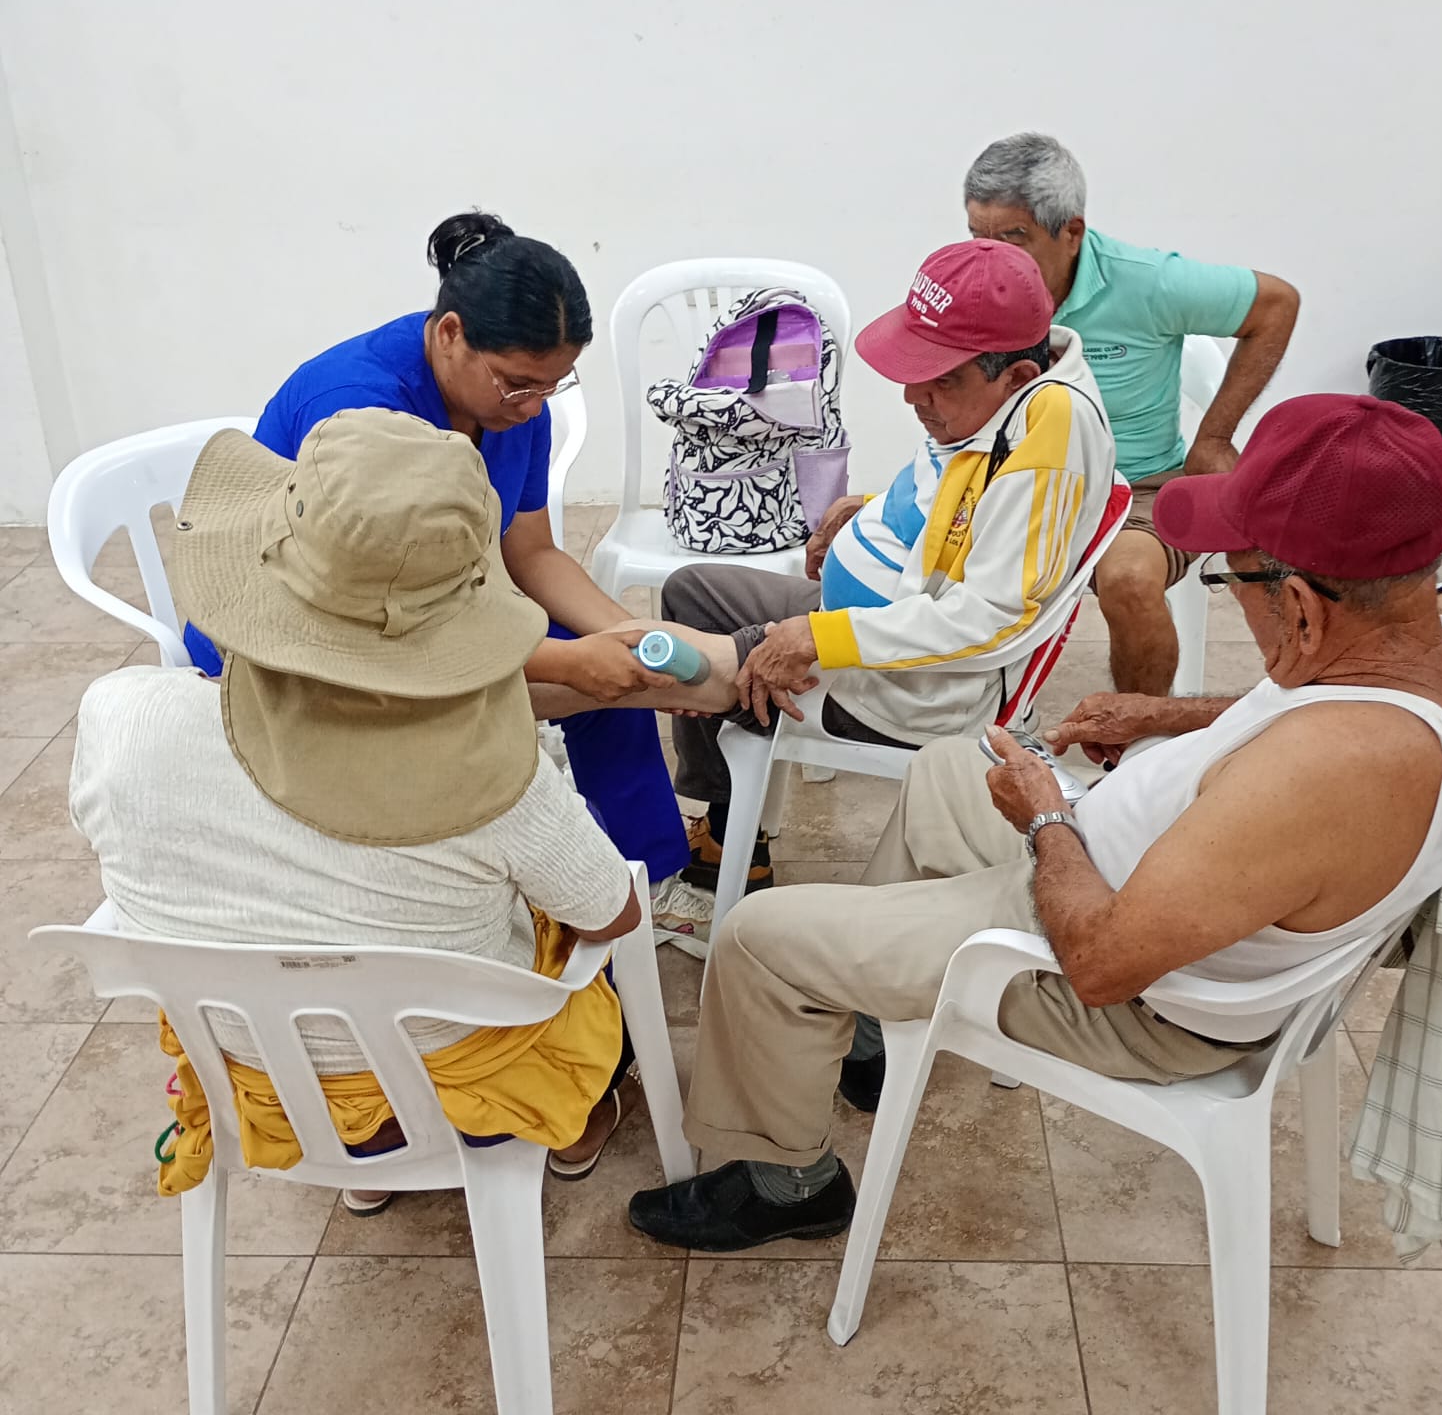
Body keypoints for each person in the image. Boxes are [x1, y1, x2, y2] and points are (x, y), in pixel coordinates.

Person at [627, 394, 1442, 1252]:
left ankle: (788, 1184)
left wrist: (1047, 819)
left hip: (1117, 981)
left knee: (757, 938)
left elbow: (1102, 964)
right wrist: (1166, 716)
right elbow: (1319, 696)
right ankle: (867, 1027)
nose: (1229, 591)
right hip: (1135, 876)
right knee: (949, 767)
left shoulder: (1327, 774)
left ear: (1298, 605)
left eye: (1230, 577)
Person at [73, 409, 649, 1212]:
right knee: (563, 918)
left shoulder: (122, 715)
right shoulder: (493, 777)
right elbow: (613, 913)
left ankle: (365, 1175)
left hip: (253, 1073)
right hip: (452, 1080)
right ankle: (576, 1125)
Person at [181, 211, 696, 911]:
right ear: (450, 333)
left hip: (419, 615)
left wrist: (631, 640)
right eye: (519, 383)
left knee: (614, 680)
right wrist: (571, 664)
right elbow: (374, 625)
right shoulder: (361, 413)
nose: (534, 406)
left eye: (553, 385)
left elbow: (531, 553)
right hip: (305, 640)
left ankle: (647, 880)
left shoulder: (514, 408)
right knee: (544, 694)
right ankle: (502, 890)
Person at [659, 240, 1117, 933]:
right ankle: (731, 843)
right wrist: (869, 511)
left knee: (684, 664)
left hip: (910, 687)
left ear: (1017, 374)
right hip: (872, 627)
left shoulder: (1047, 439)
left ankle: (713, 876)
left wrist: (822, 637)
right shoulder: (1004, 399)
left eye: (938, 381)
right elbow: (968, 508)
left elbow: (992, 617)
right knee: (691, 595)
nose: (911, 396)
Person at [965, 132, 1301, 696]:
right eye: (978, 236)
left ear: (1071, 232)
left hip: (1133, 489)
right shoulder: (968, 283)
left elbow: (1276, 304)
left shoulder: (1146, 281)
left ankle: (1137, 732)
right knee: (902, 554)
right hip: (1009, 481)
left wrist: (1214, 436)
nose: (991, 258)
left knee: (1130, 580)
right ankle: (967, 718)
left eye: (1014, 238)